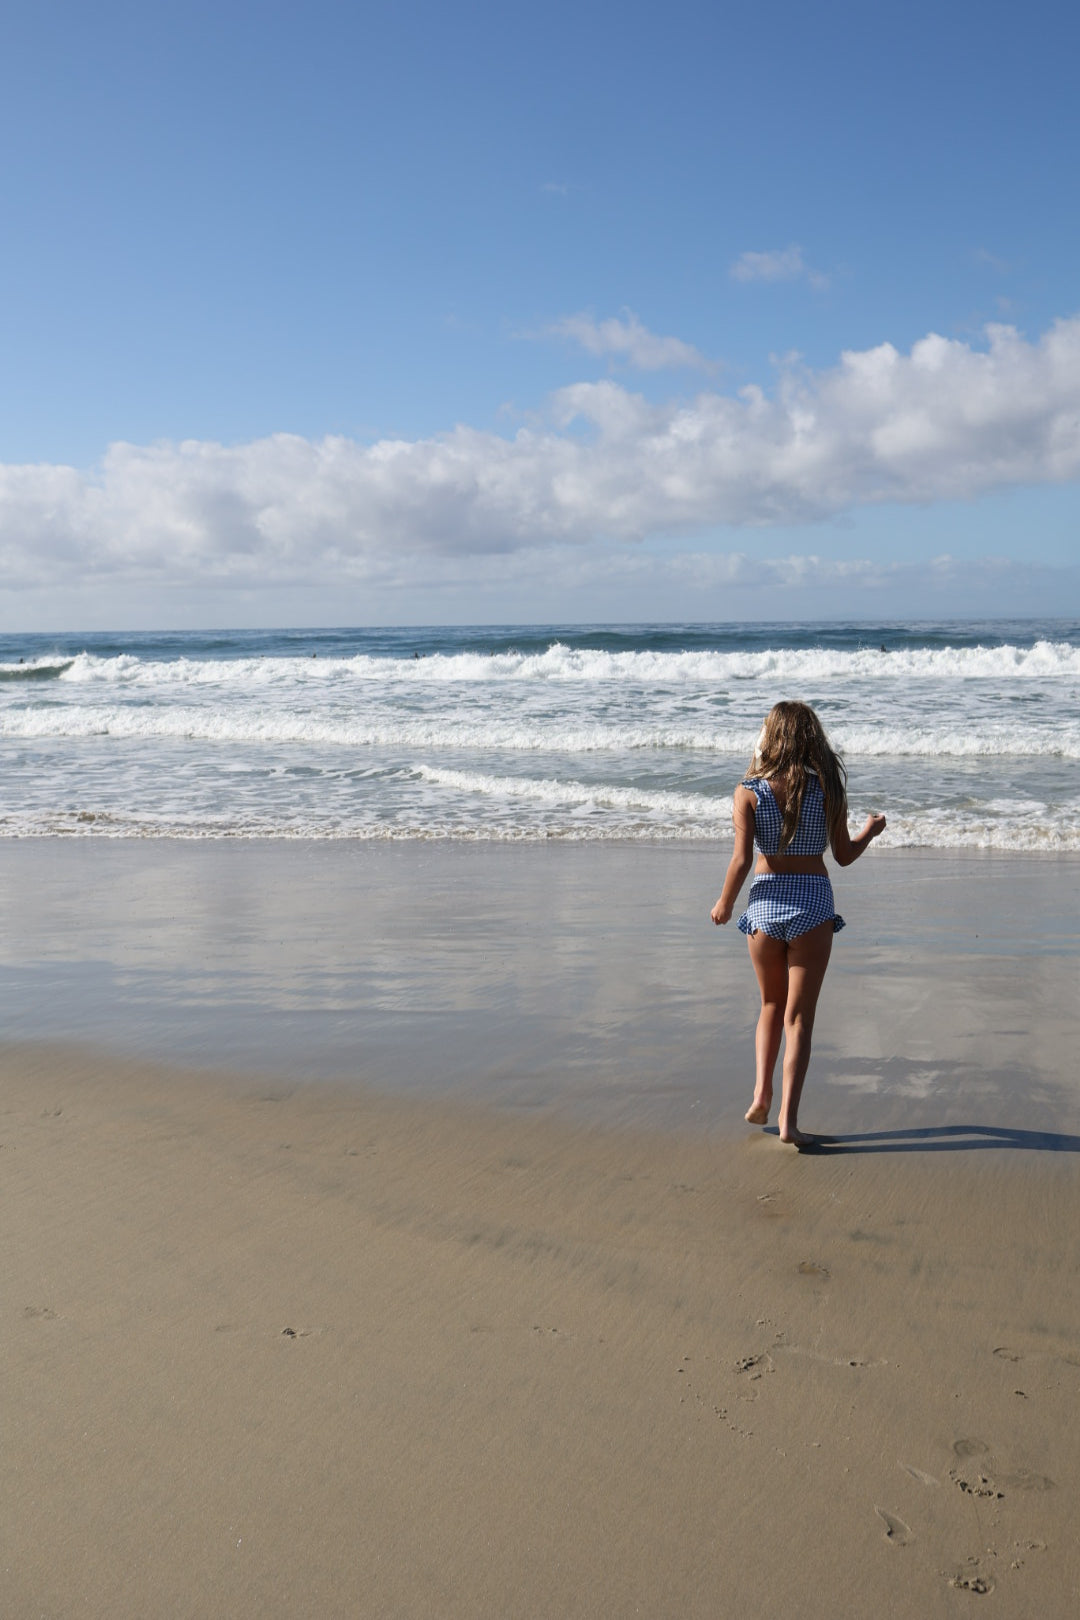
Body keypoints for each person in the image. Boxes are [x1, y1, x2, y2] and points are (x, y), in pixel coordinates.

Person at [710, 702, 886, 1148]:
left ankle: (760, 1094)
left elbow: (741, 860)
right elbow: (843, 855)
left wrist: (725, 903)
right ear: (811, 738)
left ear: (770, 737)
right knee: (799, 1018)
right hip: (812, 907)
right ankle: (788, 1120)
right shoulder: (826, 790)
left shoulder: (748, 791)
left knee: (770, 1005)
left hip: (765, 909)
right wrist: (870, 830)